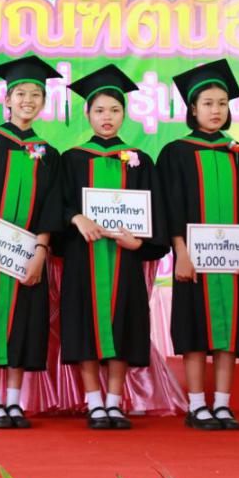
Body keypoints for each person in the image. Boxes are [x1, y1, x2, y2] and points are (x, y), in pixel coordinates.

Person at [157, 59, 239, 430]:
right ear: (193, 109)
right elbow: (171, 206)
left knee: (231, 333)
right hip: (193, 260)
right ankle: (197, 406)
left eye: (222, 103)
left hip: (236, 262)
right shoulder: (176, 153)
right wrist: (181, 253)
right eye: (208, 103)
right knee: (195, 331)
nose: (216, 110)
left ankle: (223, 405)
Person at [58, 65, 169, 430]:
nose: (107, 117)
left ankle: (114, 402)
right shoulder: (72, 159)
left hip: (125, 257)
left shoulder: (140, 160)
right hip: (84, 258)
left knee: (123, 323)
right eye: (100, 110)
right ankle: (94, 402)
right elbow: (57, 203)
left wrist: (140, 241)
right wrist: (76, 217)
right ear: (88, 114)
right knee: (85, 325)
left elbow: (155, 211)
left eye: (115, 110)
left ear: (125, 114)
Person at [0, 56, 64, 429]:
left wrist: (40, 252)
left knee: (21, 325)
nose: (28, 100)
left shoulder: (49, 153)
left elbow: (51, 206)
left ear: (43, 102)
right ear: (7, 100)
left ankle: (13, 402)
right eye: (21, 94)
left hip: (27, 254)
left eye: (36, 95)